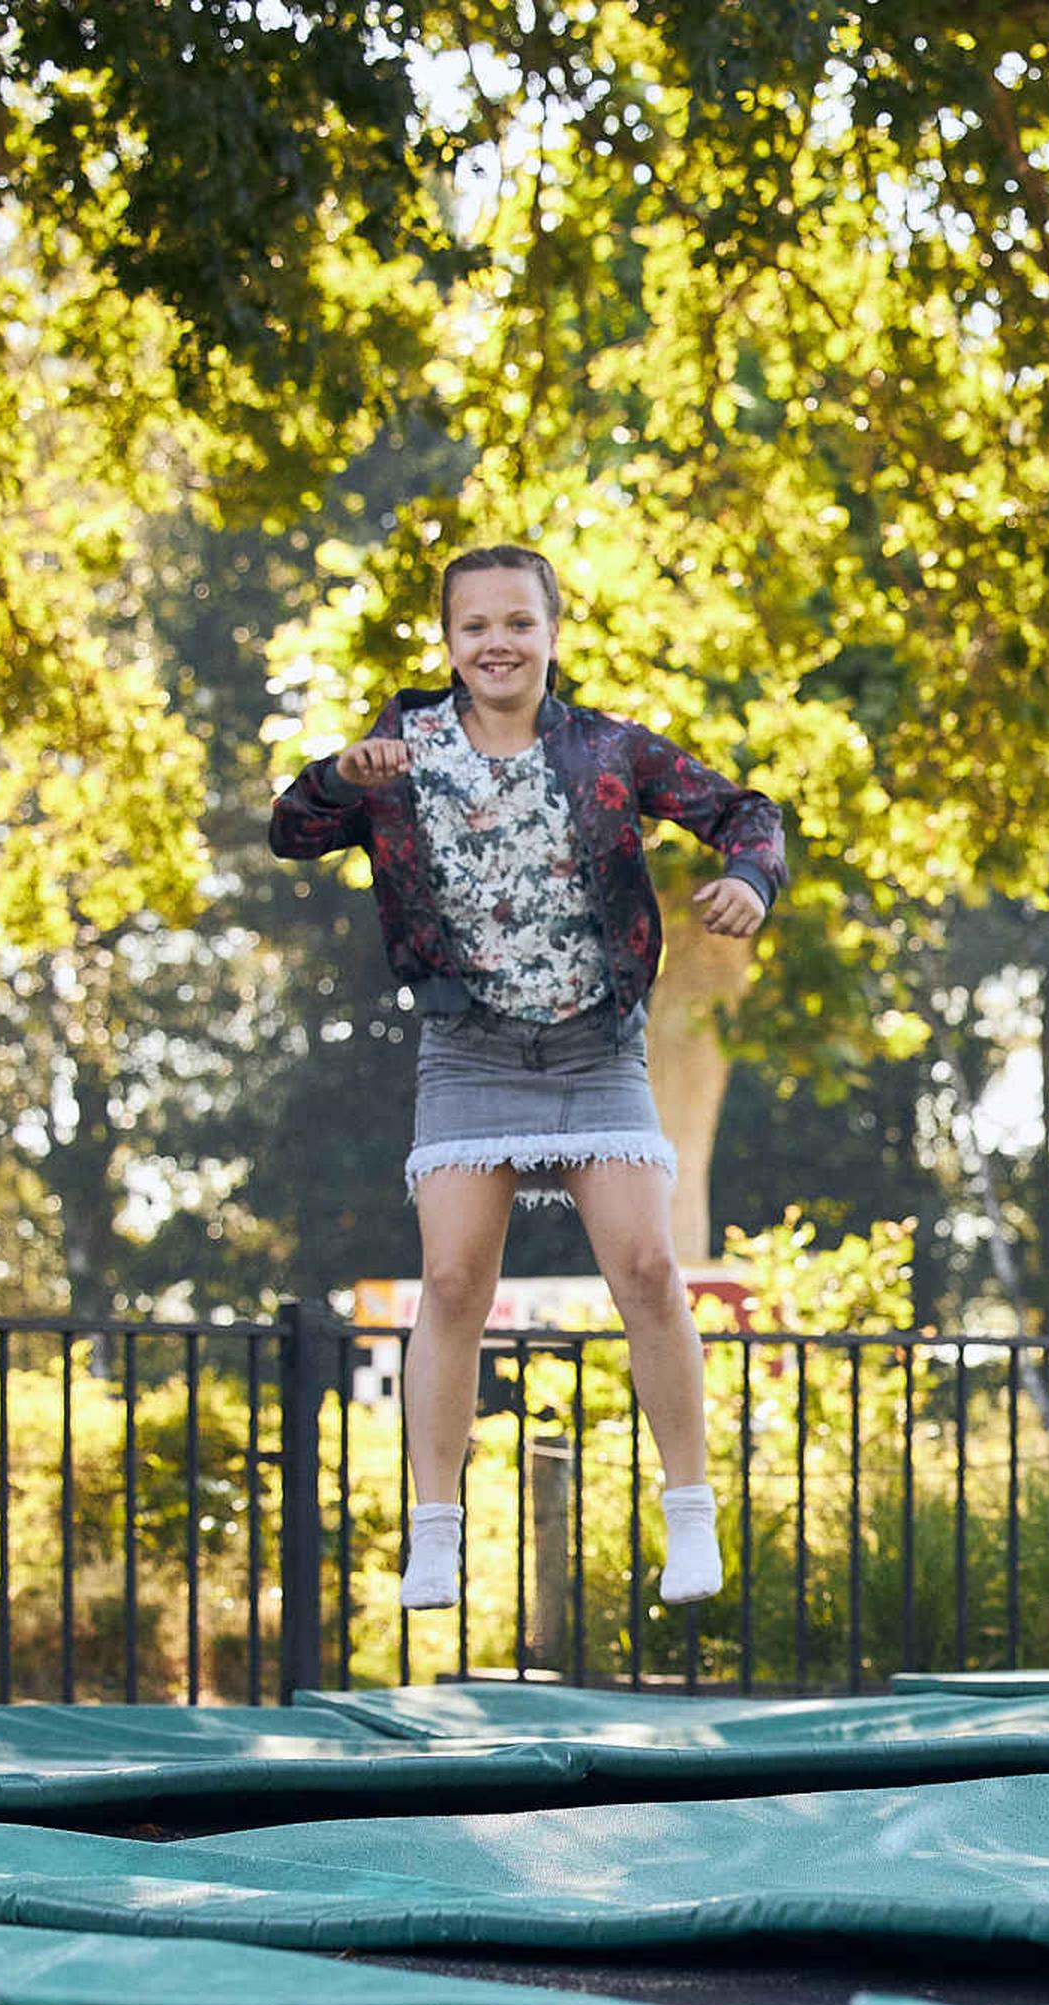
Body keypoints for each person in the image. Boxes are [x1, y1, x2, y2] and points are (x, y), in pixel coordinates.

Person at [268, 543, 786, 1612]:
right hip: (471, 1049)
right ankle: (437, 1533)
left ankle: (691, 1518)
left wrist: (748, 880)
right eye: (475, 627)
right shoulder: (399, 748)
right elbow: (292, 832)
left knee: (647, 1267)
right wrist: (331, 777)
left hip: (596, 1046)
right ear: (448, 642)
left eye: (517, 622)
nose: (496, 642)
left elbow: (745, 813)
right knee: (454, 1282)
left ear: (553, 632)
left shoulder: (608, 749)